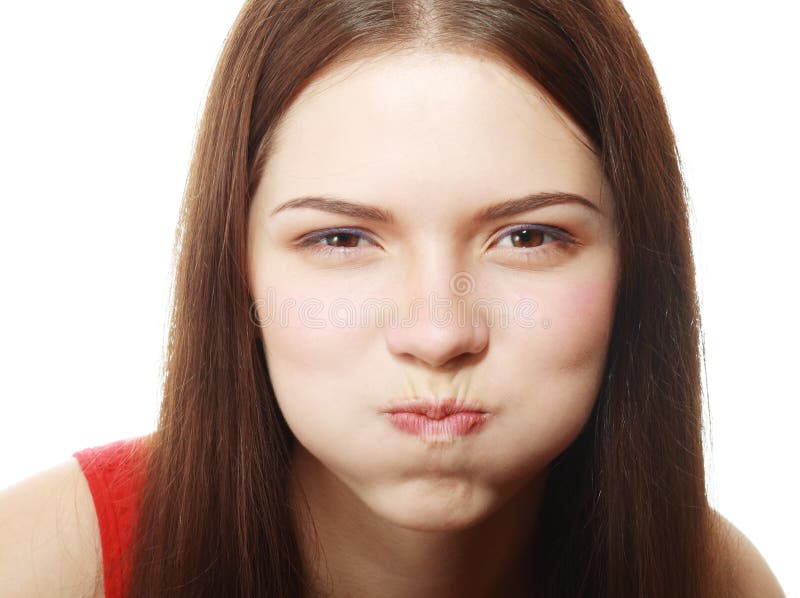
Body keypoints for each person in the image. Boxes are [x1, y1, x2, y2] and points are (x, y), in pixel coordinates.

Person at [0, 1, 786, 596]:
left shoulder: (716, 581)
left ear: (636, 265)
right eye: (341, 239)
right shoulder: (46, 564)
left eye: (529, 237)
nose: (438, 332)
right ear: (237, 269)